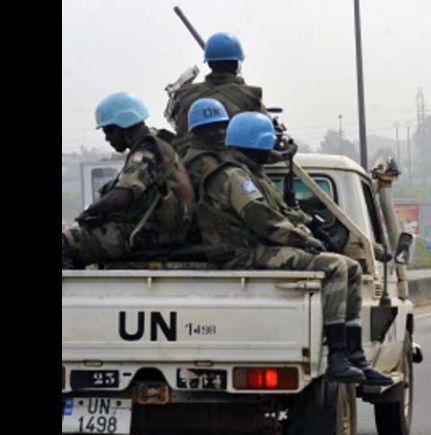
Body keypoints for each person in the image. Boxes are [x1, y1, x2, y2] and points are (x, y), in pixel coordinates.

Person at [196, 112, 392, 385]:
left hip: (258, 247)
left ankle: (355, 356)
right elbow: (261, 217)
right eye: (267, 147)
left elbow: (283, 211)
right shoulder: (234, 177)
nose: (270, 153)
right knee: (334, 266)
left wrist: (308, 224)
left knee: (351, 268)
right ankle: (338, 357)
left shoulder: (250, 173)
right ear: (257, 147)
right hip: (244, 253)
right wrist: (303, 240)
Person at [62, 92, 194, 268]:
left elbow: (122, 195)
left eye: (109, 130)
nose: (107, 138)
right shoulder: (157, 142)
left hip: (148, 232)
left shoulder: (146, 152)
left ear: (123, 124)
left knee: (65, 244)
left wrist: (89, 212)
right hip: (157, 227)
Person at [167, 32, 267, 155]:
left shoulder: (183, 94)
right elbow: (265, 133)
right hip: (229, 165)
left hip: (186, 163)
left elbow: (177, 125)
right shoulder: (249, 97)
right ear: (237, 64)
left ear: (209, 63)